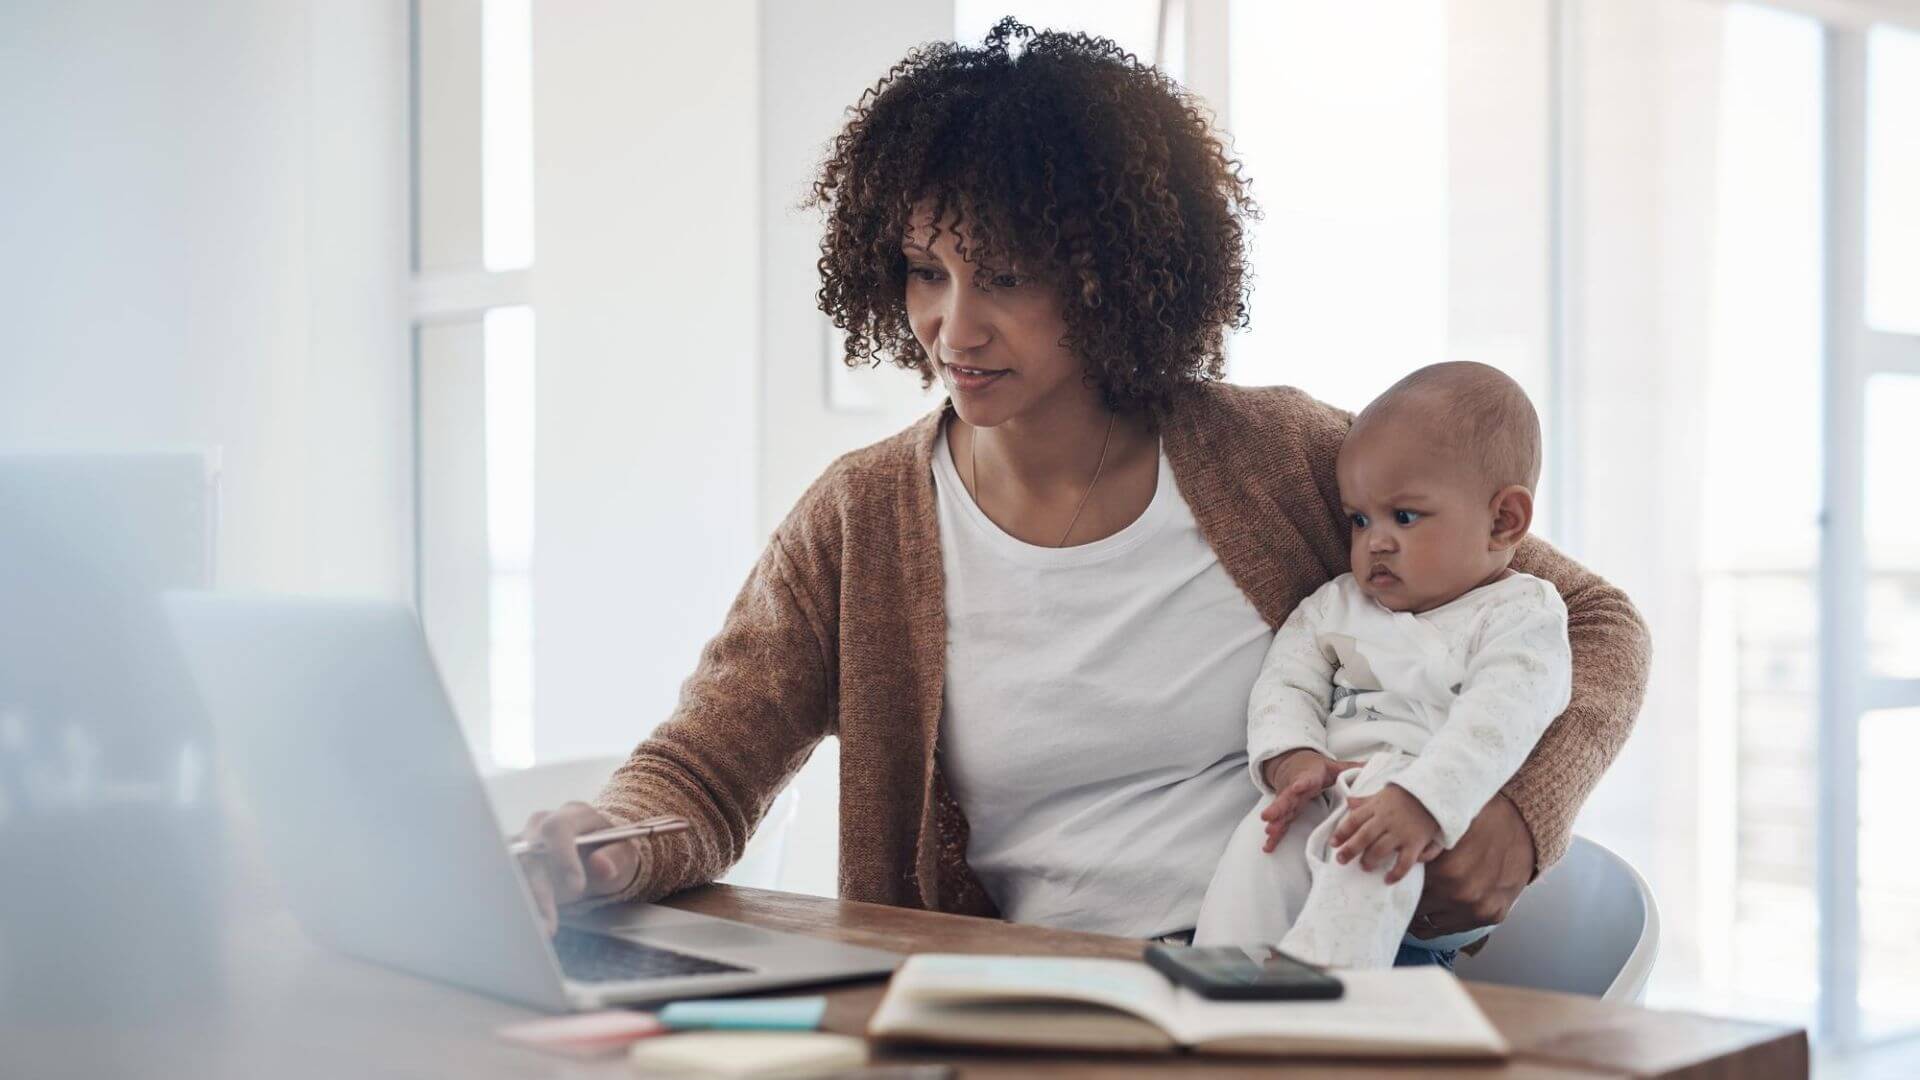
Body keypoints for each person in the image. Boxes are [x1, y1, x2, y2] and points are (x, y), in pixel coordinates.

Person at [515, 21, 1650, 961]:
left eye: (1006, 277)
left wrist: (1519, 813)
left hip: (1280, 982)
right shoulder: (862, 519)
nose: (953, 329)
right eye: (926, 271)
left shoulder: (1282, 459)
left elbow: (1591, 622)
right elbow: (710, 765)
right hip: (1020, 1005)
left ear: (1115, 272)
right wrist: (608, 838)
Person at [1191, 362, 1572, 969]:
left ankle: (1328, 987)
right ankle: (1219, 980)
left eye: (1406, 516)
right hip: (1333, 791)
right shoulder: (1336, 605)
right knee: (1263, 839)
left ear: (1503, 521)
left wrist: (1422, 799)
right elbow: (1285, 682)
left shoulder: (1523, 614)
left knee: (1368, 841)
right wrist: (1294, 757)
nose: (1376, 541)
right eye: (1360, 520)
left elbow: (1500, 722)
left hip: (1436, 826)